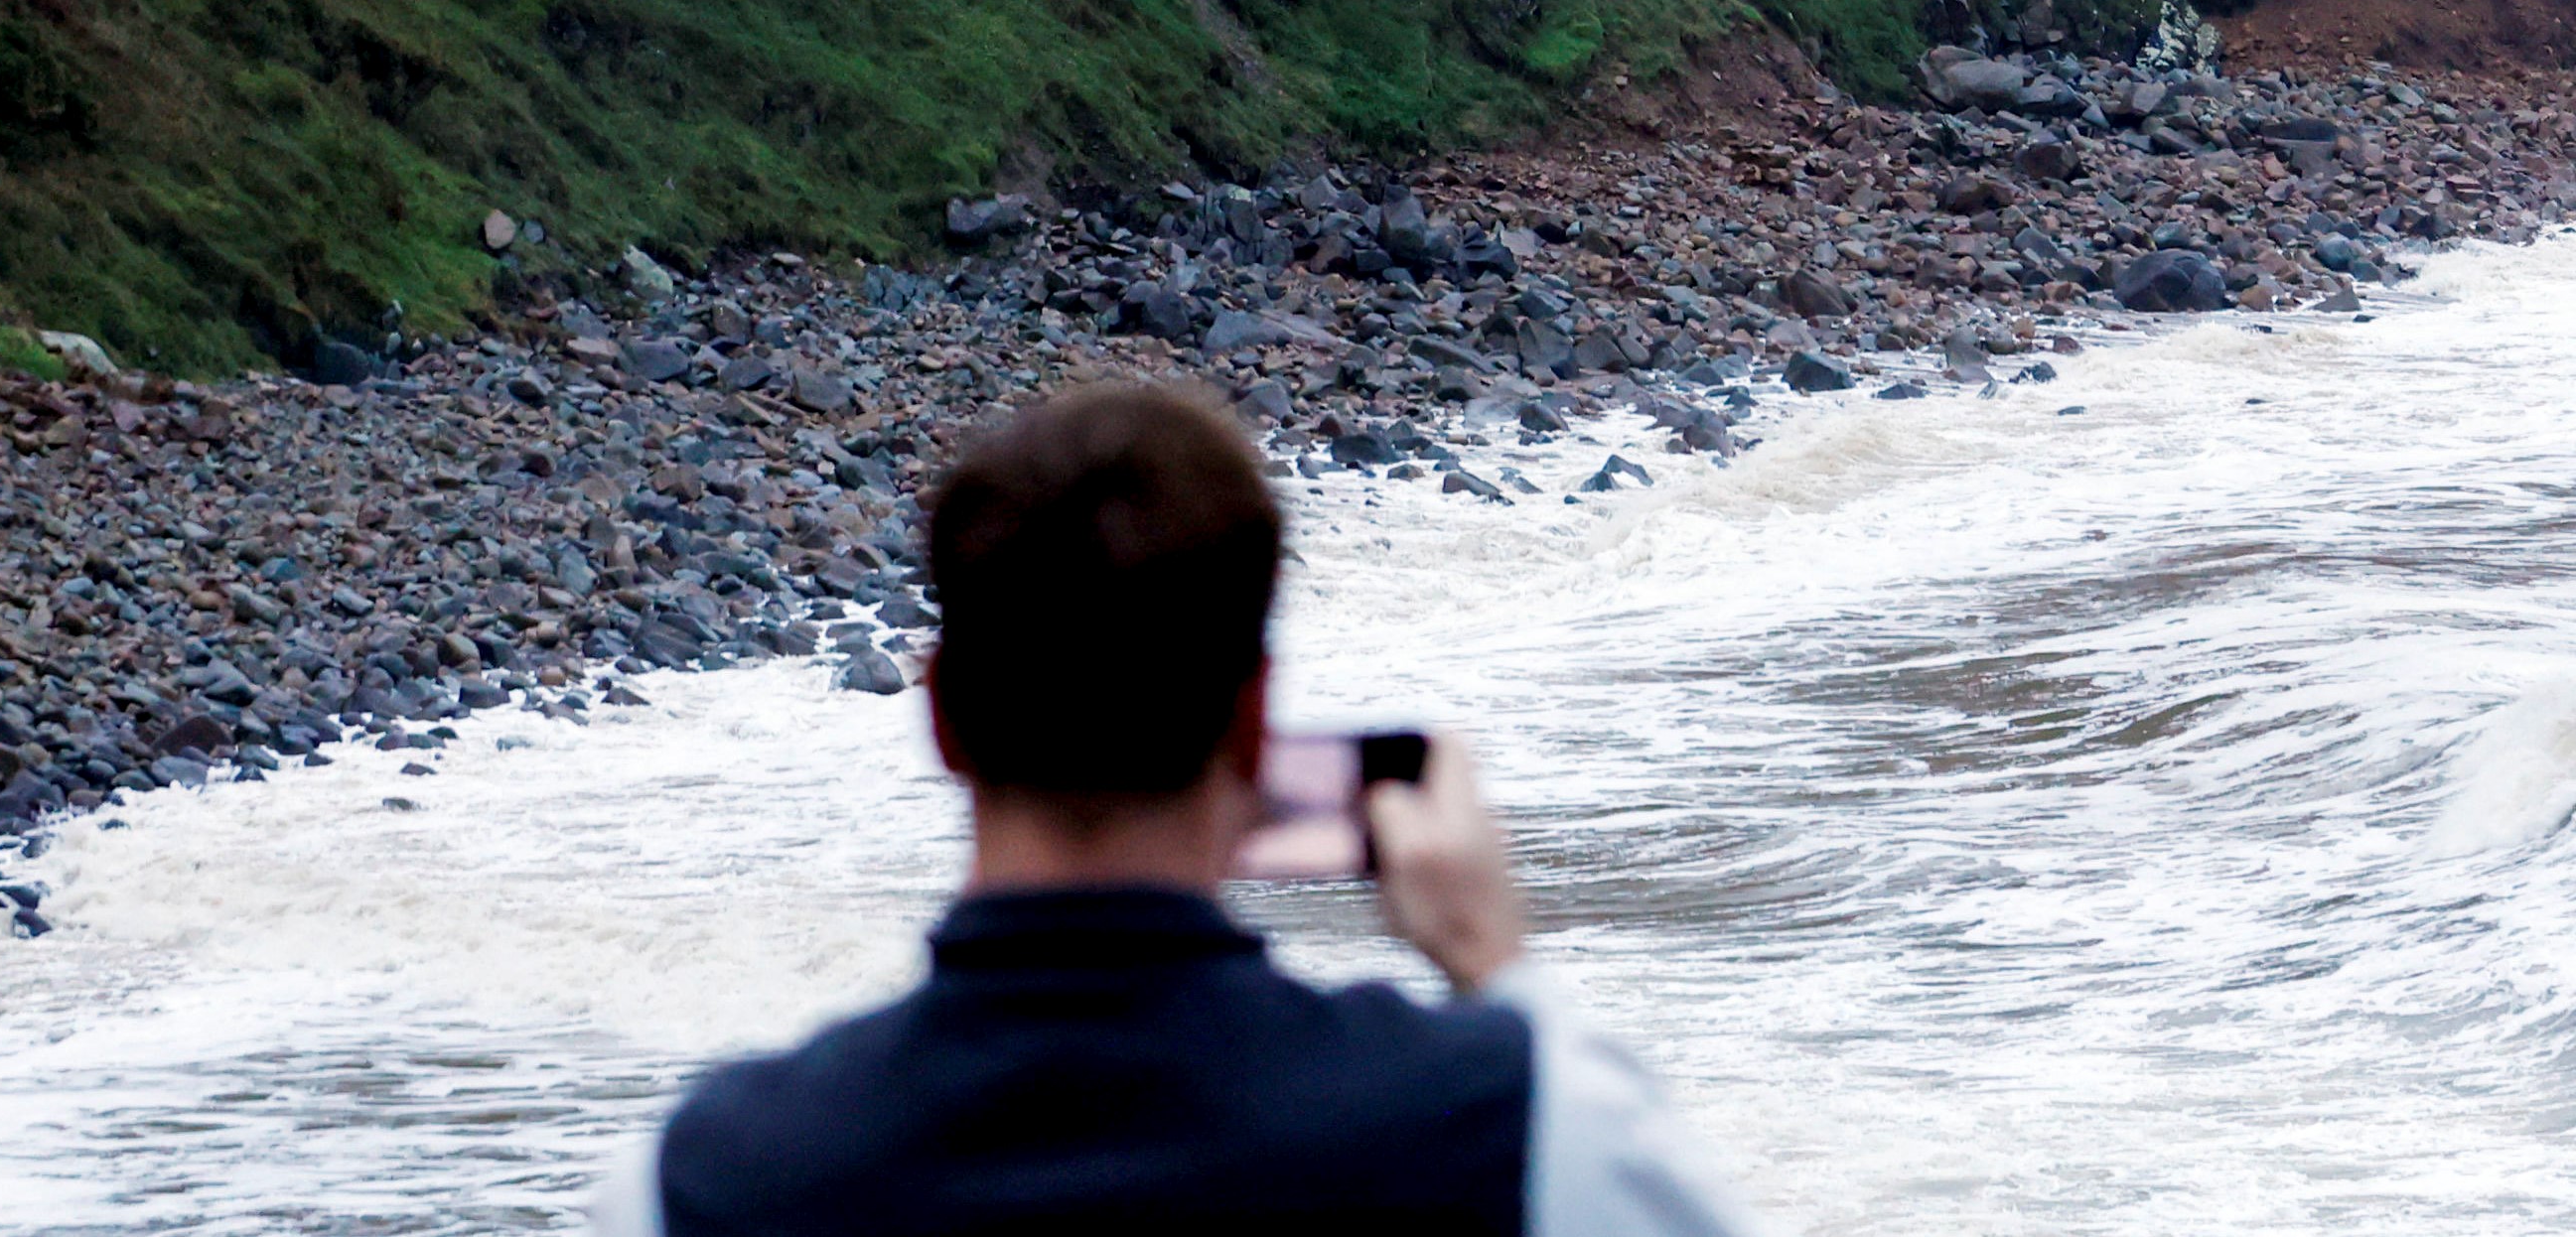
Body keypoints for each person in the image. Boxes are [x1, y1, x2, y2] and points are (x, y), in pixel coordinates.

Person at [618, 380, 1748, 1235]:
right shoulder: (1511, 1127)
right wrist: (1492, 962)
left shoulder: (702, 1178)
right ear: (1254, 725)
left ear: (944, 716)